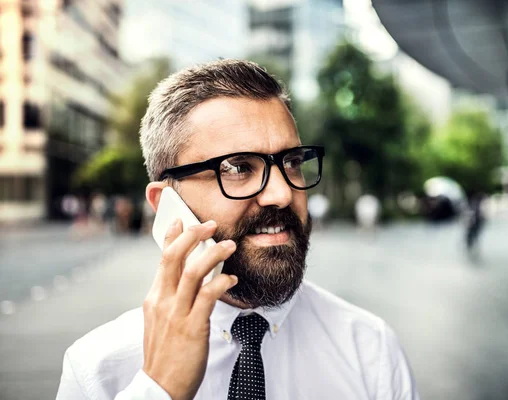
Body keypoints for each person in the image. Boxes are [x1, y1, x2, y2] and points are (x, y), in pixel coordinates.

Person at [56, 60, 419, 400]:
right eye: (238, 167)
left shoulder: (371, 351)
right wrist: (159, 388)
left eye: (291, 163)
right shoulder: (98, 370)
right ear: (166, 204)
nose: (281, 193)